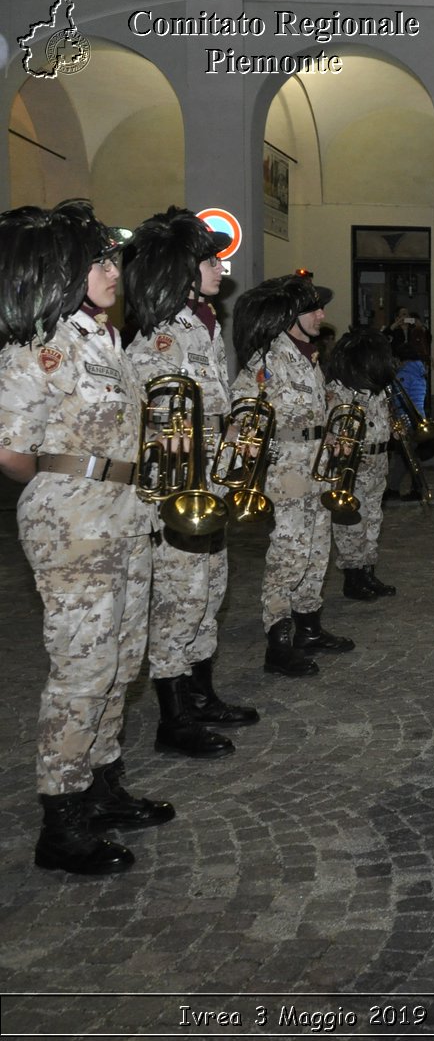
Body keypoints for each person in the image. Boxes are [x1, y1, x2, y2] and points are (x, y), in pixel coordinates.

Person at [0, 200, 174, 875]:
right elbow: (11, 451)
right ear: (65, 270)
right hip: (75, 519)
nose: (113, 270)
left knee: (120, 658)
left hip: (124, 512)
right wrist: (65, 483)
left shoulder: (106, 341)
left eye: (112, 257)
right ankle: (62, 816)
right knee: (81, 666)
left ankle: (103, 782)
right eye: (98, 260)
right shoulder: (40, 346)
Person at [122, 206, 252, 760]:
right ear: (181, 269)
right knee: (179, 598)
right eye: (209, 259)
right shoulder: (160, 338)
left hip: (209, 485)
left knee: (210, 590)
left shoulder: (202, 327)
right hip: (175, 492)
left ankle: (200, 695)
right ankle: (173, 719)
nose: (221, 268)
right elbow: (152, 425)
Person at [231, 274, 356, 677]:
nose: (322, 315)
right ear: (292, 316)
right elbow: (244, 407)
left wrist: (336, 438)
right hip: (288, 470)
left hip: (317, 471)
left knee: (317, 551)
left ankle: (309, 628)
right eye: (314, 309)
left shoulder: (310, 358)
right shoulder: (269, 359)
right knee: (288, 554)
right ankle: (278, 641)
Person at [326, 327, 401, 600]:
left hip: (379, 459)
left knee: (373, 519)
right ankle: (353, 577)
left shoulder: (378, 391)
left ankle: (368, 570)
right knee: (352, 523)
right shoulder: (340, 389)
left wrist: (395, 428)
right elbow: (329, 424)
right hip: (353, 462)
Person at [389, 330, 430, 500]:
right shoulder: (418, 372)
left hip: (407, 420)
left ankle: (415, 489)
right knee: (408, 457)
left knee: (407, 457)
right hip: (418, 417)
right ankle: (402, 488)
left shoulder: (405, 374)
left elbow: (399, 400)